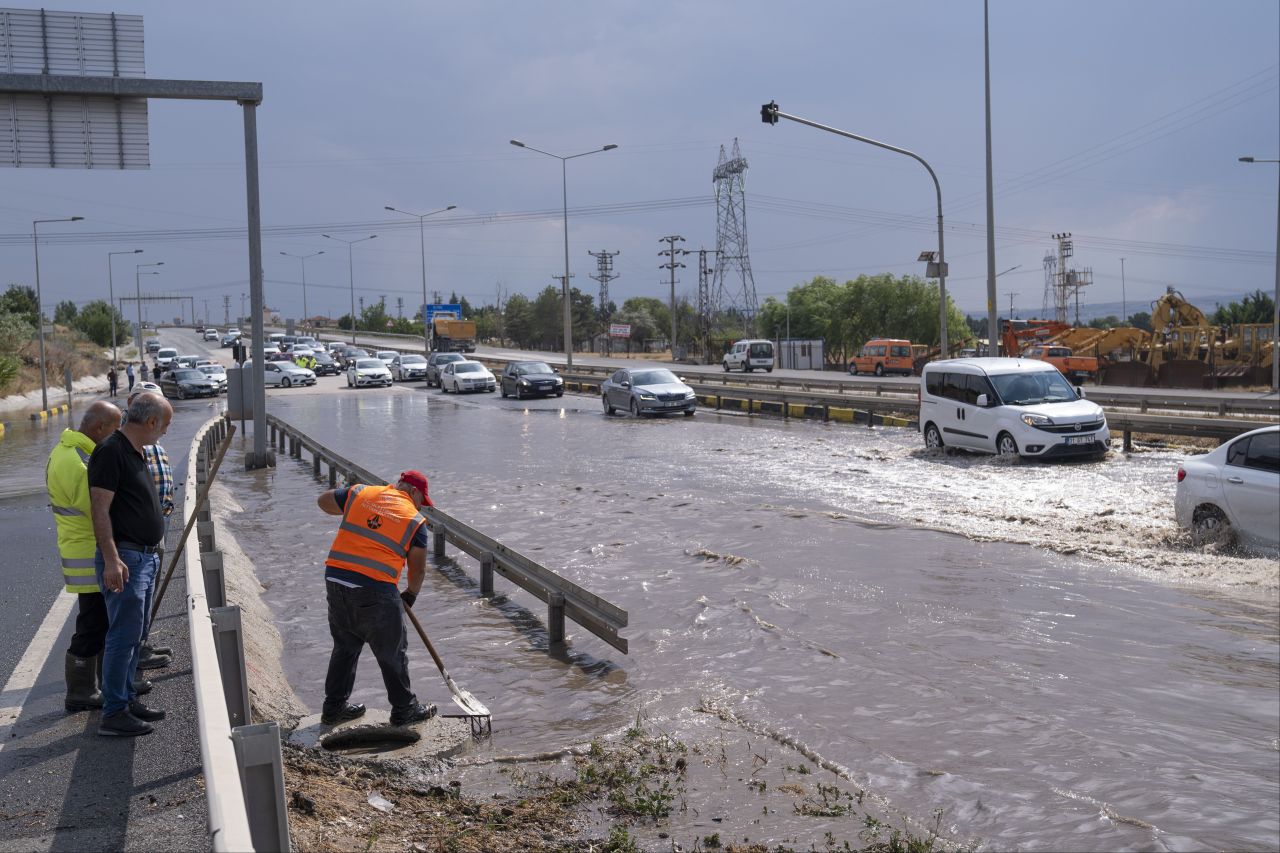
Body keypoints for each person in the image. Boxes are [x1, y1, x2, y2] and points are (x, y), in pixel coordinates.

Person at [316, 471, 437, 727]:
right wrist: (411, 595)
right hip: (375, 587)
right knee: (392, 651)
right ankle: (405, 710)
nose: (420, 505)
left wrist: (355, 509)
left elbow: (323, 501)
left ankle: (334, 708)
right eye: (421, 500)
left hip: (336, 580)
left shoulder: (362, 492)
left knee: (345, 645)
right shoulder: (414, 520)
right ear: (413, 492)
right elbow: (418, 569)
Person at [88, 391, 173, 737]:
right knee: (122, 638)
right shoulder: (111, 451)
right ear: (151, 422)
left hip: (143, 556)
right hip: (126, 559)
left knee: (135, 635)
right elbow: (100, 510)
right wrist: (111, 559)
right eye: (165, 425)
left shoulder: (136, 451)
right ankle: (114, 712)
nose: (165, 432)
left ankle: (125, 696)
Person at [46, 401, 120, 712]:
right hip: (87, 551)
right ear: (100, 427)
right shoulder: (80, 462)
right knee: (92, 622)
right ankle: (80, 691)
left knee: (97, 619)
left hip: (82, 548)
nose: (117, 437)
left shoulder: (70, 451)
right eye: (115, 430)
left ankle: (97, 684)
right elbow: (99, 511)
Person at [122, 388, 175, 672]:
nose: (165, 431)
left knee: (146, 596)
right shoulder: (124, 445)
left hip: (155, 528)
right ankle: (130, 670)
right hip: (134, 540)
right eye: (164, 424)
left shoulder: (150, 442)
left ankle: (142, 644)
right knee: (133, 604)